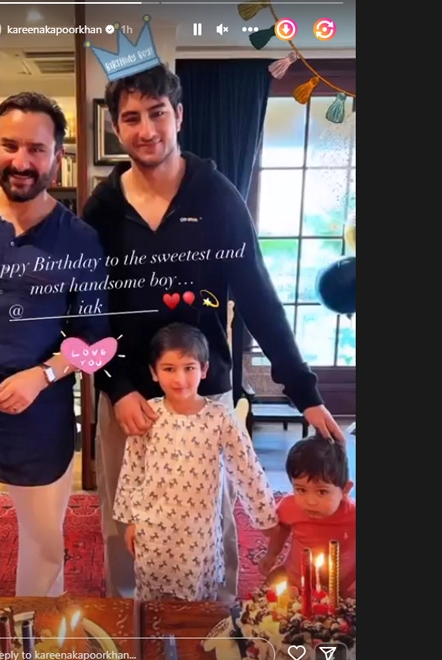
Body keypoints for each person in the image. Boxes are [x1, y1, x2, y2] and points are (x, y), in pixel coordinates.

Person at [81, 64, 346, 600]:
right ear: (115, 126)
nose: (146, 130)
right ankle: (132, 620)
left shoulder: (218, 198)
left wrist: (304, 391)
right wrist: (116, 385)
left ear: (178, 115)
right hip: (130, 395)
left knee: (211, 513)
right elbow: (88, 311)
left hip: (204, 392)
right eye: (131, 118)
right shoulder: (102, 209)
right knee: (126, 515)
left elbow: (258, 296)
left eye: (157, 113)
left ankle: (216, 616)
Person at [0, 92, 109, 597]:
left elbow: (96, 340)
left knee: (45, 546)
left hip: (40, 415)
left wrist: (43, 375)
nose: (21, 162)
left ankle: (37, 634)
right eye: (10, 145)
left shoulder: (80, 240)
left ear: (57, 156)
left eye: (37, 149)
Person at [113, 323, 278, 601]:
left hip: (199, 536)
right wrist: (130, 522)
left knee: (198, 606)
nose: (180, 379)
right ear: (154, 372)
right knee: (151, 603)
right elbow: (132, 469)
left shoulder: (221, 419)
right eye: (169, 369)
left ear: (204, 369)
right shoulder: (148, 414)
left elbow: (247, 469)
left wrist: (268, 519)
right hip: (153, 532)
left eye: (189, 368)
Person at [259, 435, 356, 598]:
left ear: (345, 489)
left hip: (340, 589)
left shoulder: (353, 515)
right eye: (301, 489)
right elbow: (281, 529)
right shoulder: (290, 506)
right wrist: (272, 554)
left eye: (322, 491)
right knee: (266, 595)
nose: (310, 501)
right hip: (295, 579)